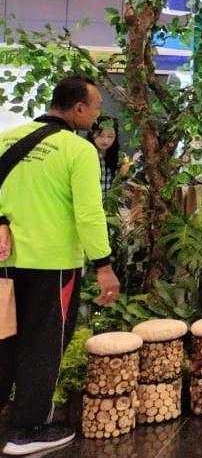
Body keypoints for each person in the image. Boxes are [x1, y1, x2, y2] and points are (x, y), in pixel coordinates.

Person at [0, 76, 120, 455]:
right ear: (78, 108)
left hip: (5, 262)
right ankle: (27, 429)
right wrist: (103, 265)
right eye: (96, 108)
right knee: (44, 344)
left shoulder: (7, 138)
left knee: (4, 339)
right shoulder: (78, 150)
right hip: (52, 265)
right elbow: (89, 213)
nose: (97, 116)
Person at [87, 116, 121, 196]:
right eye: (100, 135)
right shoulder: (86, 154)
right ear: (92, 134)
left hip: (109, 201)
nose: (105, 141)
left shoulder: (119, 156)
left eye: (110, 136)